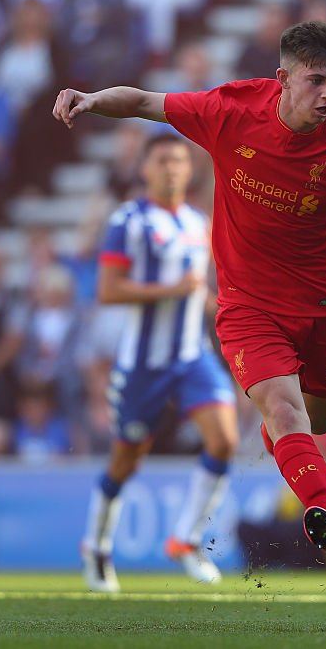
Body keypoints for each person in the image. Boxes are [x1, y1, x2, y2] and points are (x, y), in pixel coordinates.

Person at [53, 20, 326, 573]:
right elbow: (142, 100)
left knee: (315, 420)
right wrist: (91, 99)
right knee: (285, 412)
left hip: (323, 308)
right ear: (282, 78)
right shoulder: (231, 111)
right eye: (315, 81)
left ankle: (286, 450)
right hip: (247, 308)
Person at [77, 134, 239, 593]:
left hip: (191, 356)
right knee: (126, 460)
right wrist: (169, 291)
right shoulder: (128, 221)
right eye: (163, 161)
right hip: (142, 365)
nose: (172, 169)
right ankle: (97, 545)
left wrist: (218, 307)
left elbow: (195, 289)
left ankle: (186, 540)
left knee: (224, 439)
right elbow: (107, 290)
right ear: (145, 169)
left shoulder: (196, 222)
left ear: (189, 171)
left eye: (179, 162)